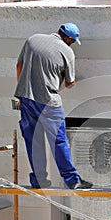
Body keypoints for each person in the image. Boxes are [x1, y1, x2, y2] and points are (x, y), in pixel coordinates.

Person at [14, 22, 93, 189]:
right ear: (69, 38)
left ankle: (39, 180)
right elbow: (70, 82)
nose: (72, 44)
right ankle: (72, 180)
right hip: (49, 102)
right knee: (59, 141)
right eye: (72, 41)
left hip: (26, 100)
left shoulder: (32, 40)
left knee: (34, 141)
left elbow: (19, 66)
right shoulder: (67, 52)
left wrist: (23, 90)